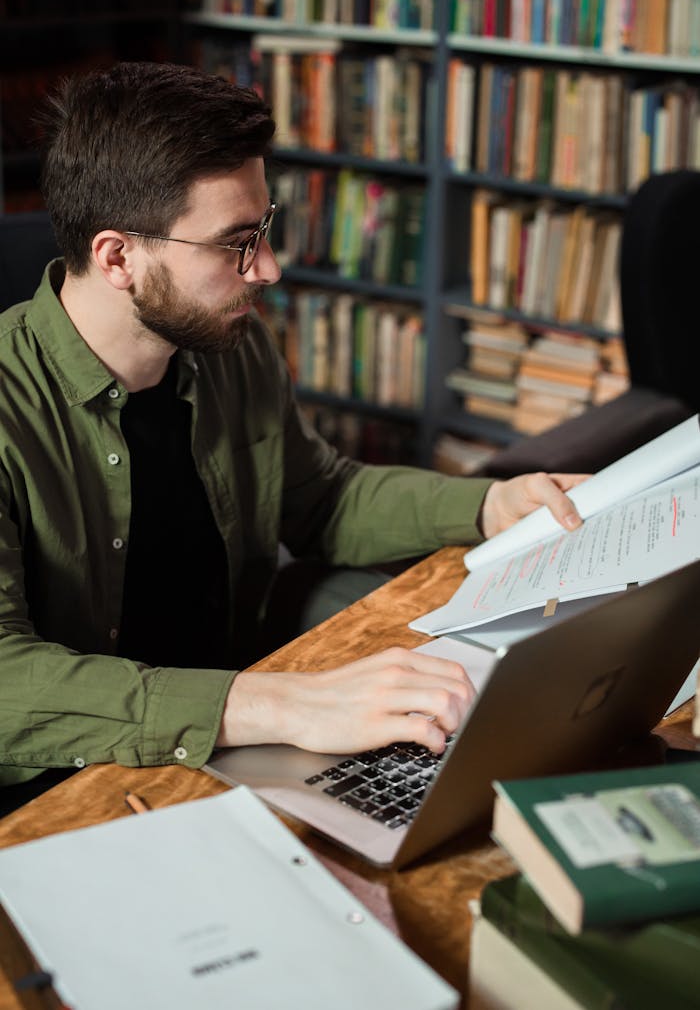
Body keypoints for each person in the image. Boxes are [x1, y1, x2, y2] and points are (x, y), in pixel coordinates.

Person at [0, 62, 585, 805]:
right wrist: (284, 703)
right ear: (118, 256)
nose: (268, 269)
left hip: (236, 741)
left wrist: (492, 506)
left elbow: (321, 499)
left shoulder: (227, 346)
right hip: (74, 777)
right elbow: (6, 683)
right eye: (236, 243)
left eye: (265, 230)